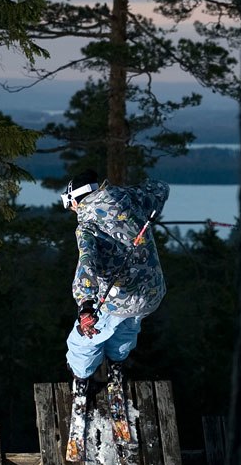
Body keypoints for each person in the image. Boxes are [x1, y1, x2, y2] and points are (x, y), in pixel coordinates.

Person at [62, 168, 170, 392]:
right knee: (127, 328)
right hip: (151, 293)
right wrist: (129, 195)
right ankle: (116, 367)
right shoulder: (130, 198)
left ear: (76, 199)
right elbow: (160, 188)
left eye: (68, 201)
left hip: (116, 299)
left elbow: (86, 263)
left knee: (82, 342)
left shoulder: (87, 226)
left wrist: (85, 305)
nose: (70, 208)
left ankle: (81, 381)